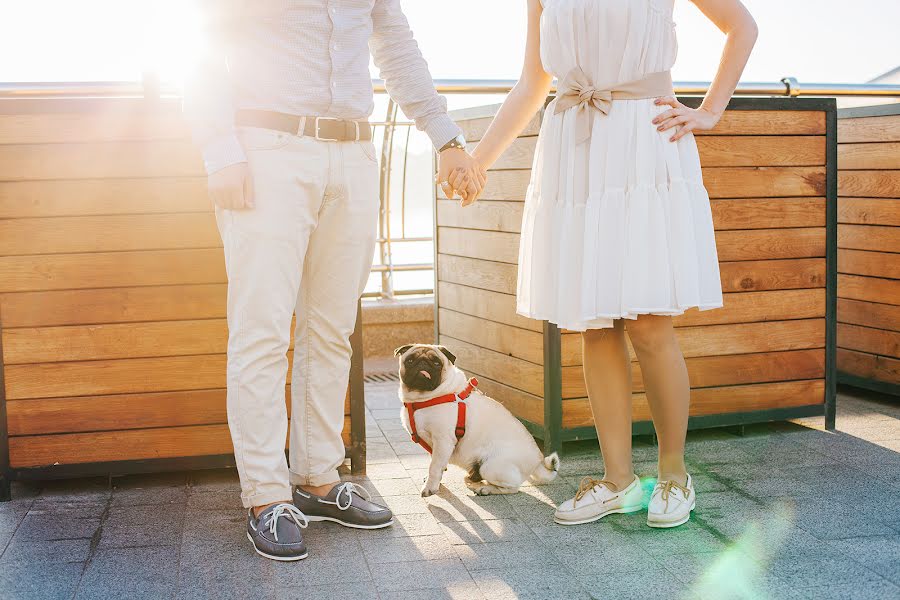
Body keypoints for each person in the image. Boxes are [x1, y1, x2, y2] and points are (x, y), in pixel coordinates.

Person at [184, 0, 486, 561]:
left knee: (331, 331)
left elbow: (394, 42)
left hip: (352, 152)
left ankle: (319, 478)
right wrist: (219, 148)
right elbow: (201, 38)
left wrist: (445, 139)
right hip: (267, 146)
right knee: (263, 333)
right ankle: (267, 497)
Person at [460, 0, 757, 528]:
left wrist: (709, 110)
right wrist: (477, 163)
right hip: (574, 150)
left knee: (648, 323)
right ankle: (618, 480)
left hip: (643, 143)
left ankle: (673, 475)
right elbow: (533, 82)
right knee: (593, 325)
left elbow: (741, 27)